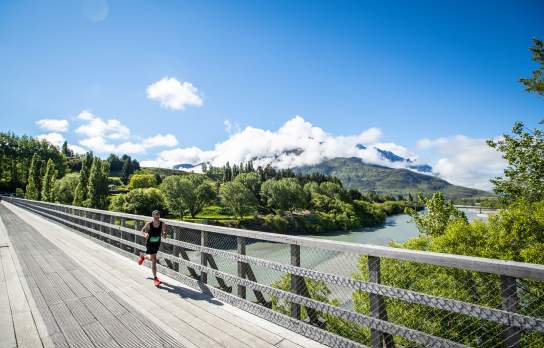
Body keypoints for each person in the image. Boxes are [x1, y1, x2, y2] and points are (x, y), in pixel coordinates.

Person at [137, 210, 167, 286]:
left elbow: (165, 234)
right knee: (154, 259)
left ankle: (143, 256)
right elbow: (142, 230)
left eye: (158, 214)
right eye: (156, 215)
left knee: (152, 258)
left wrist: (164, 234)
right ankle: (155, 278)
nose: (157, 216)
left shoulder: (162, 224)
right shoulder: (149, 224)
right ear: (153, 215)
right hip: (150, 242)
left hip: (157, 242)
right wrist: (145, 234)